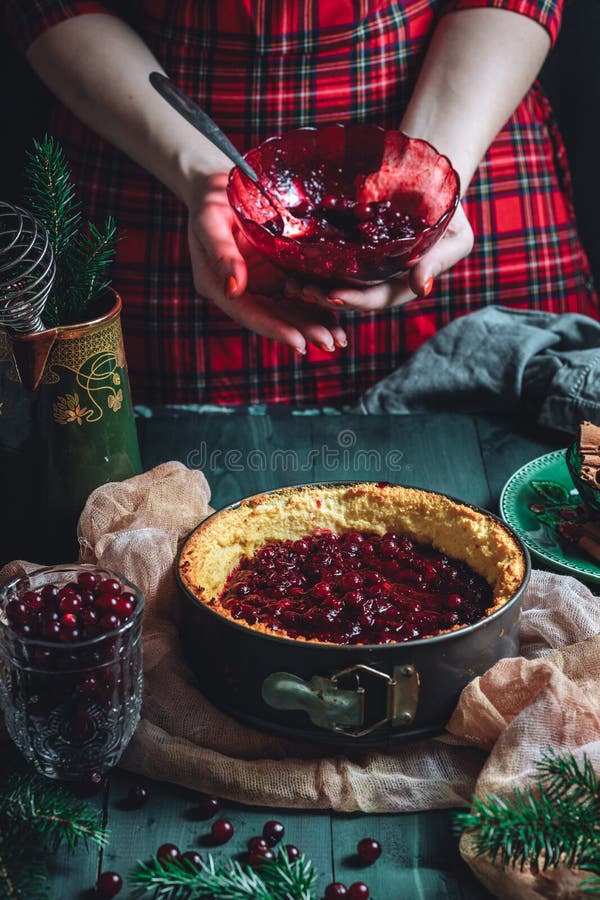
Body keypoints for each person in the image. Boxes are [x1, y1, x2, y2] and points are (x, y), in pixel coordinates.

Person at [3, 0, 597, 406]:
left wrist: (423, 169)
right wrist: (200, 174)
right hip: (151, 150)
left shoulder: (434, 167)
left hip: (462, 113)